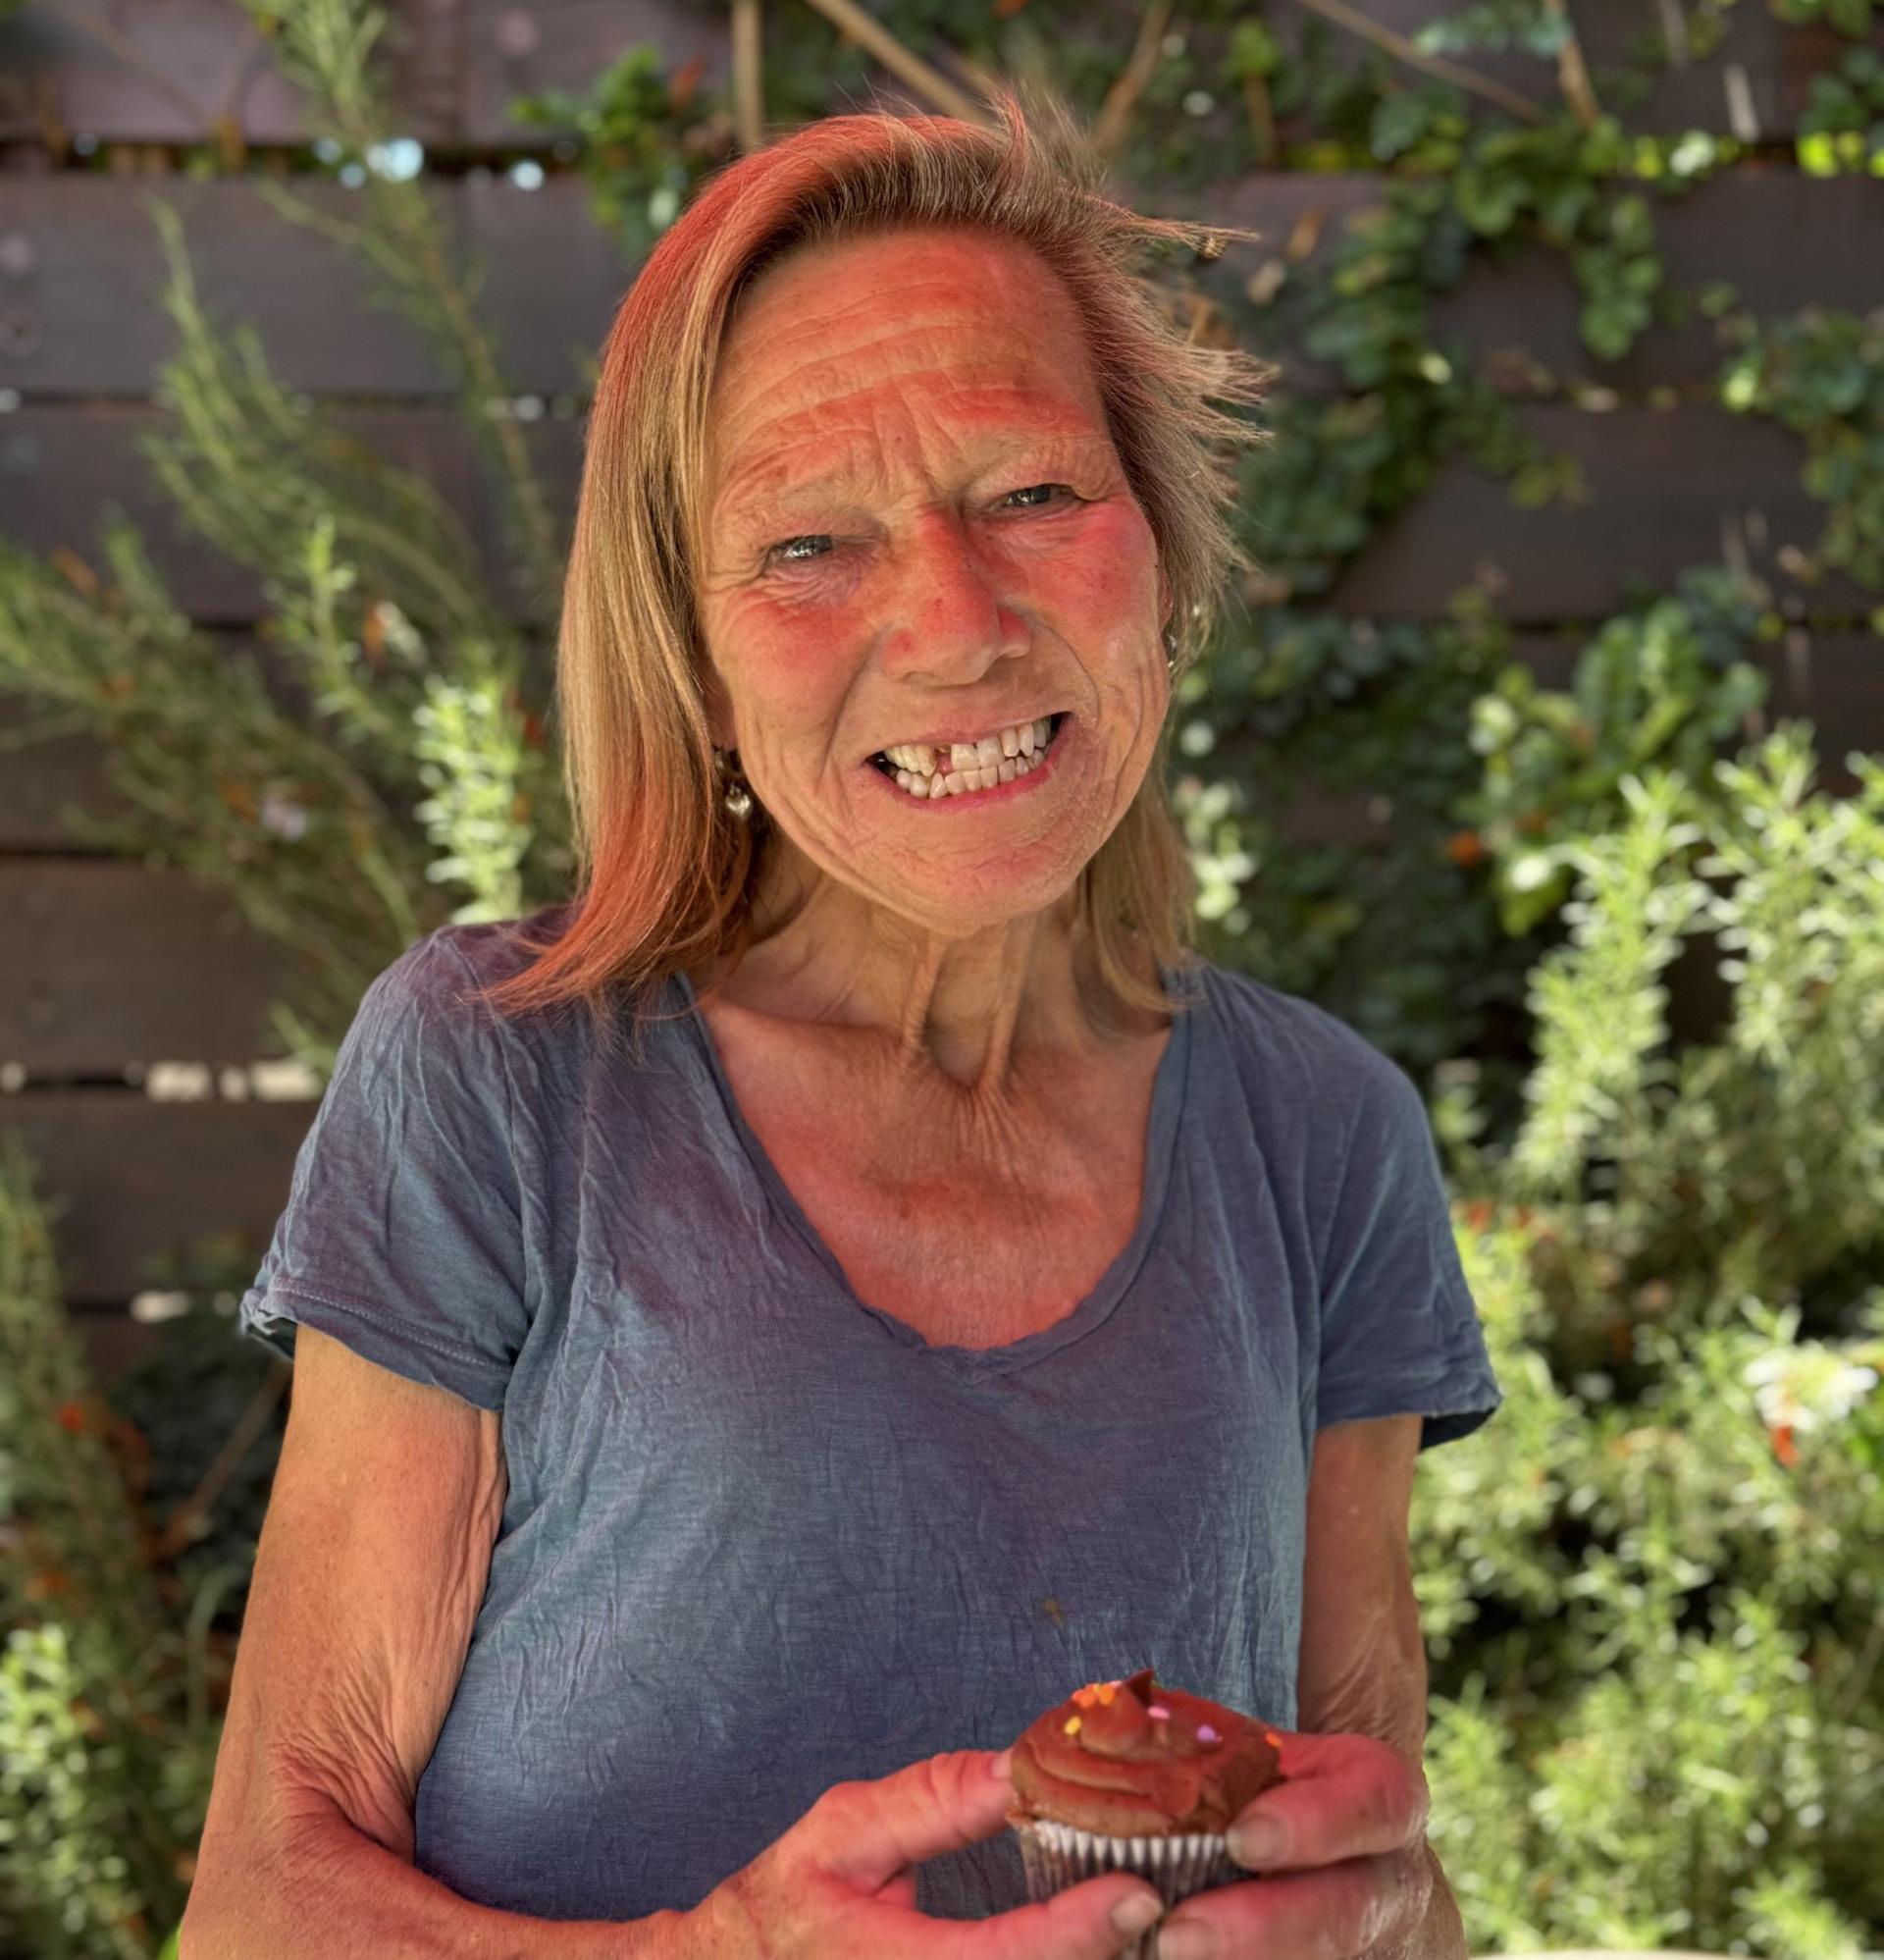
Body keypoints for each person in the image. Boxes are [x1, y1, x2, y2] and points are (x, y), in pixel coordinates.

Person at [181, 84, 1501, 1960]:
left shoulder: (1325, 1136)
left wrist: (1380, 1919)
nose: (956, 624)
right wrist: (714, 1956)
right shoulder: (497, 1077)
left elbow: (1374, 1864)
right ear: (693, 659)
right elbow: (257, 1912)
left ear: (1163, 559)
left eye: (1032, 492)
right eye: (807, 543)